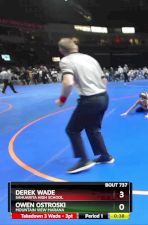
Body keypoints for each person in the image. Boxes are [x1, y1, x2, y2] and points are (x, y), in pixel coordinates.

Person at [55, 37, 114, 174]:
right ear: (76, 48)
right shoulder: (90, 59)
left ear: (61, 50)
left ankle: (84, 160)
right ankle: (105, 156)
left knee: (72, 130)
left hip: (89, 100)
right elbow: (104, 80)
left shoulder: (66, 61)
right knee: (92, 128)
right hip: (103, 97)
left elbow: (68, 82)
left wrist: (62, 99)